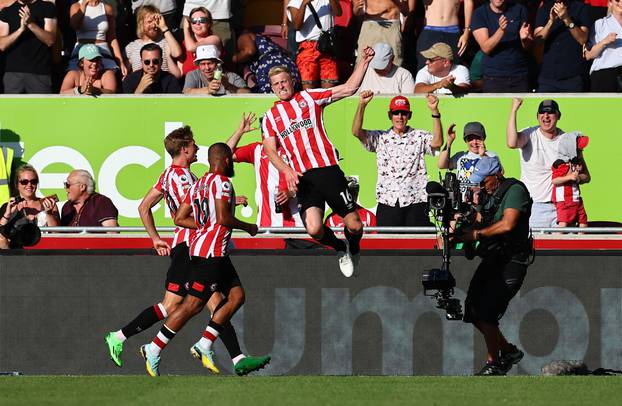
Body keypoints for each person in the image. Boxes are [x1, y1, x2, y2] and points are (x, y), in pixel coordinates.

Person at [105, 125, 267, 376]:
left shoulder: (188, 178)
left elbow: (217, 163)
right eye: (193, 146)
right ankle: (131, 340)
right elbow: (192, 208)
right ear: (183, 149)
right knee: (188, 305)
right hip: (192, 246)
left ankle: (230, 355)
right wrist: (158, 237)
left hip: (198, 244)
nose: (197, 149)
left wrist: (239, 132)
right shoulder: (181, 178)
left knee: (213, 302)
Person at [261, 48, 375, 278]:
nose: (281, 86)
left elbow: (348, 89)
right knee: (313, 227)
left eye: (284, 81)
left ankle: (353, 245)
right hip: (304, 178)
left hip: (328, 171)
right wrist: (288, 170)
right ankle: (340, 248)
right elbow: (270, 151)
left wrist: (363, 62)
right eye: (276, 84)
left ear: (292, 81)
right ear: (271, 88)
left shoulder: (309, 98)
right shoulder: (271, 116)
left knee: (355, 226)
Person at [457, 155, 532, 376]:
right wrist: (459, 227)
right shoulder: (486, 196)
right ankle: (508, 351)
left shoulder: (515, 190)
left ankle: (494, 363)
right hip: (492, 258)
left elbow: (508, 224)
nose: (480, 186)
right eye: (477, 182)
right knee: (472, 310)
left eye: (484, 181)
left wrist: (476, 233)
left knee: (486, 311)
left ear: (498, 174)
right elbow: (479, 221)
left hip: (512, 261)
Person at [352, 91, 443, 227]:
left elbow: (437, 143)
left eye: (403, 113)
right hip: (388, 202)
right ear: (390, 115)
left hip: (416, 202)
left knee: (417, 246)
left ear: (409, 115)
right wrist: (362, 105)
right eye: (396, 113)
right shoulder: (380, 137)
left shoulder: (419, 135)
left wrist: (435, 111)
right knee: (388, 246)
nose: (400, 117)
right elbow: (356, 132)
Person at [507, 98, 590, 229]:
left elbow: (586, 176)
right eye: (542, 113)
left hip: (562, 207)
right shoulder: (530, 134)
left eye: (550, 112)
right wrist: (514, 110)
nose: (546, 116)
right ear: (537, 116)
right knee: (534, 248)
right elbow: (511, 143)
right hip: (534, 207)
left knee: (562, 249)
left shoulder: (568, 140)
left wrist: (576, 177)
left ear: (558, 116)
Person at [226, 117, 303, 228]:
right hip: (266, 225)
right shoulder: (256, 150)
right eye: (265, 129)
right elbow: (224, 154)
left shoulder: (294, 149)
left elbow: (308, 182)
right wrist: (239, 132)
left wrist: (290, 193)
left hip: (295, 224)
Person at [471, 0, 533, 93]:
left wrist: (524, 40)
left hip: (520, 75)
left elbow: (528, 47)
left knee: (520, 107)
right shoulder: (479, 13)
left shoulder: (519, 10)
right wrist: (501, 30)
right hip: (494, 77)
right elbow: (486, 48)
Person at [0, 0, 57, 94]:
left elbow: (50, 40)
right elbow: (2, 45)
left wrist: (30, 24)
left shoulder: (47, 7)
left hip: (40, 72)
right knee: (12, 108)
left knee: (41, 108)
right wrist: (21, 29)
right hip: (12, 73)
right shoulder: (7, 11)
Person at [534, 0, 591, 92]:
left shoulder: (581, 8)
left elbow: (582, 39)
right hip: (548, 75)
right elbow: (537, 41)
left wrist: (566, 19)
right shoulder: (544, 8)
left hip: (572, 75)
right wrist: (550, 22)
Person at [0, 165, 59, 249]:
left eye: (33, 181)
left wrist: (48, 214)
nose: (29, 185)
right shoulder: (8, 206)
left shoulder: (49, 204)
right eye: (24, 182)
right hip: (14, 254)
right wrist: (7, 215)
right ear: (17, 184)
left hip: (43, 252)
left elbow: (56, 234)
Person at [288, 0, 342, 89]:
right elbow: (296, 26)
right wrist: (304, 4)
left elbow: (339, 13)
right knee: (309, 90)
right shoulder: (295, 1)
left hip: (327, 47)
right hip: (307, 47)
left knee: (329, 90)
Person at [68, 0, 128, 76]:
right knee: (75, 76)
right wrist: (83, 5)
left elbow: (112, 37)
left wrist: (120, 61)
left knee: (109, 76)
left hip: (102, 49)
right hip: (82, 49)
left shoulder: (106, 8)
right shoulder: (76, 6)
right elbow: (75, 25)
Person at [232, 30, 301, 94]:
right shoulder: (266, 42)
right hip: (289, 66)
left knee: (269, 95)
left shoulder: (244, 36)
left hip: (271, 66)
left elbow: (249, 51)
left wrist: (234, 59)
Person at [125, 5, 182, 79]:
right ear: (141, 23)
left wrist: (164, 27)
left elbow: (177, 53)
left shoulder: (166, 41)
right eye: (149, 21)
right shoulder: (131, 47)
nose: (154, 25)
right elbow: (125, 73)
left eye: (156, 21)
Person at [352, 0, 415, 67]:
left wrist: (397, 2)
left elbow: (407, 11)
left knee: (395, 62)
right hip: (370, 27)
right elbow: (357, 12)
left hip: (392, 28)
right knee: (362, 63)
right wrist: (356, 8)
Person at [438, 121, 497, 191]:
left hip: (483, 199)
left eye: (478, 138)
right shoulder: (460, 156)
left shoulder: (491, 155)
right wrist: (449, 141)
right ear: (465, 140)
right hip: (461, 200)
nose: (474, 142)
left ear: (483, 138)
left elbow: (500, 173)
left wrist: (483, 155)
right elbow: (441, 165)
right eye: (470, 139)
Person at [416, 0, 474, 70]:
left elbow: (468, 2)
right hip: (430, 30)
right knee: (426, 68)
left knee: (455, 69)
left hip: (453, 31)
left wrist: (467, 31)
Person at [551, 135, 590, 228]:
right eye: (579, 150)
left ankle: (582, 239)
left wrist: (578, 177)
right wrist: (570, 177)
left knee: (583, 221)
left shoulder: (576, 162)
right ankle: (558, 241)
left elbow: (587, 177)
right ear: (571, 149)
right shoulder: (561, 163)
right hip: (564, 200)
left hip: (576, 198)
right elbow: (554, 180)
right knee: (563, 223)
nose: (581, 152)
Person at [585, 0, 622, 92]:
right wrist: (605, 41)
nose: (621, 2)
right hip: (605, 74)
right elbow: (588, 55)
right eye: (617, 0)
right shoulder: (600, 23)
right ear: (610, 3)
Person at [183, 44, 249, 95]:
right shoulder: (193, 75)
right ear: (198, 65)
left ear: (218, 63)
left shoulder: (231, 76)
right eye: (203, 64)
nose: (207, 68)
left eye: (210, 63)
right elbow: (186, 92)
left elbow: (249, 94)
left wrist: (228, 85)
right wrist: (207, 90)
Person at [179, 7, 222, 76]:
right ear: (190, 24)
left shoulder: (215, 39)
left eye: (202, 20)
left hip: (213, 82)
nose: (198, 23)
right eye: (194, 21)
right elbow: (180, 72)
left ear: (209, 23)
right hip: (189, 84)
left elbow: (191, 48)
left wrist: (186, 29)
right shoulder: (185, 43)